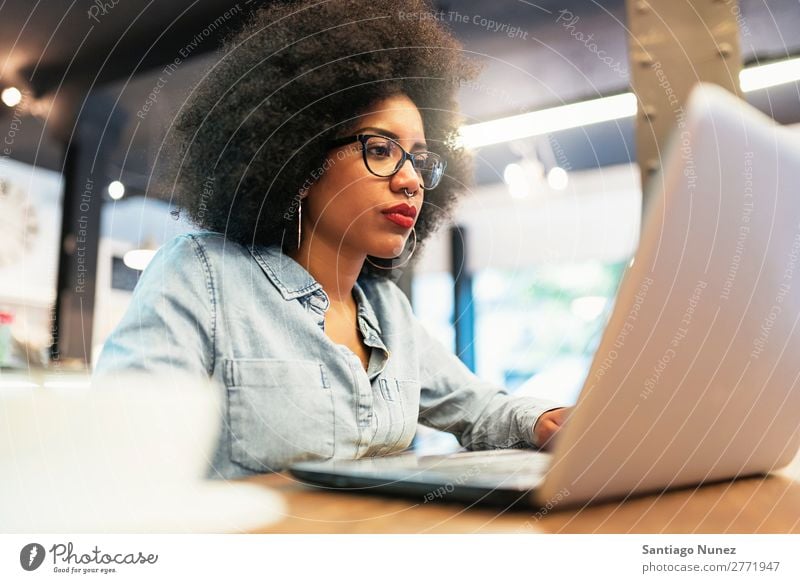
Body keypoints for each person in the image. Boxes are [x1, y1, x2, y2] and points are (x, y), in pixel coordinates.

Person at [93, 0, 569, 479]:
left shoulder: (389, 312)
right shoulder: (203, 276)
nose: (412, 182)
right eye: (381, 149)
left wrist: (552, 421)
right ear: (300, 158)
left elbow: (481, 408)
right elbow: (120, 442)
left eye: (421, 161)